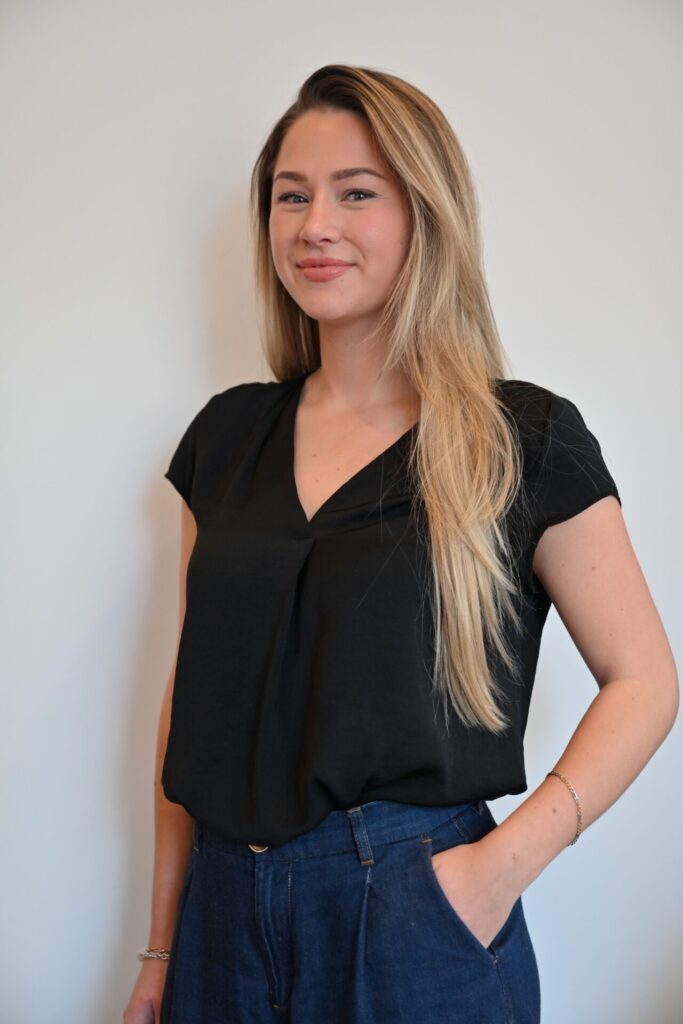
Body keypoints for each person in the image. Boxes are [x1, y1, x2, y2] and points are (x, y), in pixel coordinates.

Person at [123, 64, 679, 1024]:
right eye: (290, 196)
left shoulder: (522, 439)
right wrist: (162, 947)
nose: (314, 225)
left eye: (355, 193)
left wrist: (497, 872)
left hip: (411, 915)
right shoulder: (224, 439)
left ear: (427, 214)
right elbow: (194, 701)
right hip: (220, 920)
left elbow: (644, 681)